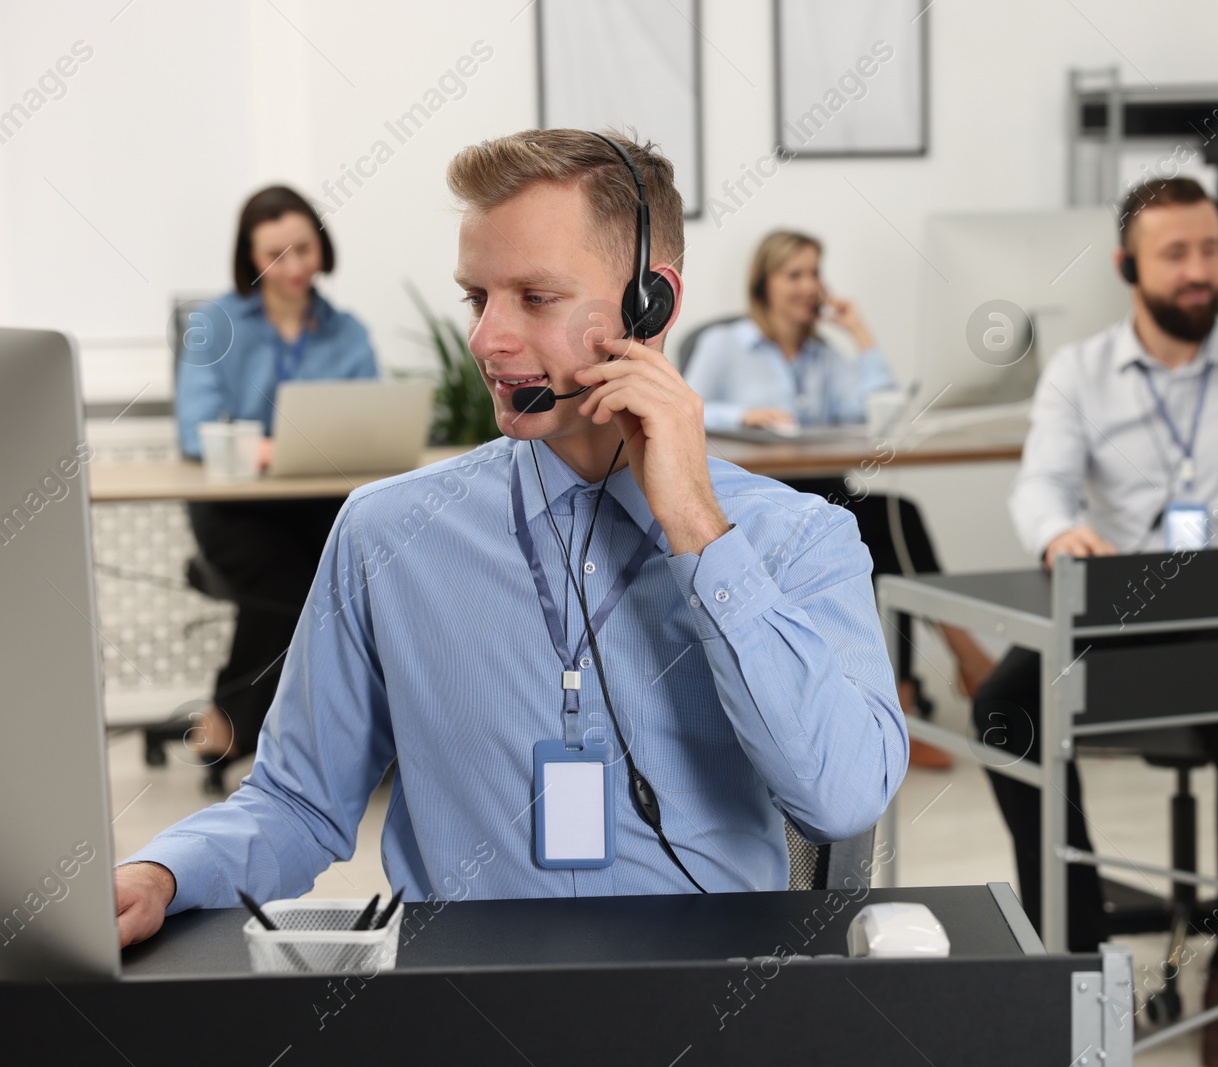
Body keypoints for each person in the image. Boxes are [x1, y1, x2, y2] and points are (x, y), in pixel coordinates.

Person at [113, 130, 907, 948]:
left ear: (652, 304)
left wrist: (702, 532)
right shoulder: (384, 534)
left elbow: (842, 799)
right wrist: (162, 871)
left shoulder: (797, 538)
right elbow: (298, 801)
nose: (486, 340)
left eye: (535, 297)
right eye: (475, 298)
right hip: (463, 1008)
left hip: (700, 1007)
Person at [973, 177, 1218, 1067]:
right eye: (1176, 254)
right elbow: (1040, 483)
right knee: (1006, 705)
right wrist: (1056, 532)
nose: (1201, 272)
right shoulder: (1080, 370)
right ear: (1129, 266)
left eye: (1210, 251)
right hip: (1125, 603)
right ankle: (1081, 953)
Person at [684, 231, 994, 768]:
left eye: (815, 274)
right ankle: (950, 671)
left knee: (896, 520)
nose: (809, 286)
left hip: (826, 493)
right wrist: (743, 416)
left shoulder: (825, 357)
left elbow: (884, 417)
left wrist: (861, 334)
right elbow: (681, 406)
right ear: (764, 284)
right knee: (868, 532)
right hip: (757, 501)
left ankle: (905, 696)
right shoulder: (725, 345)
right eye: (794, 274)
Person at [173, 186, 378, 774]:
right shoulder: (215, 324)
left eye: (303, 250)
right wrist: (263, 446)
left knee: (360, 571)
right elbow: (195, 429)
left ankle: (285, 726)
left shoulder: (349, 332)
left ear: (322, 248)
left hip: (316, 500)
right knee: (292, 582)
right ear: (249, 257)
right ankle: (241, 725)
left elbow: (369, 420)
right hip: (235, 505)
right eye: (274, 254)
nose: (292, 268)